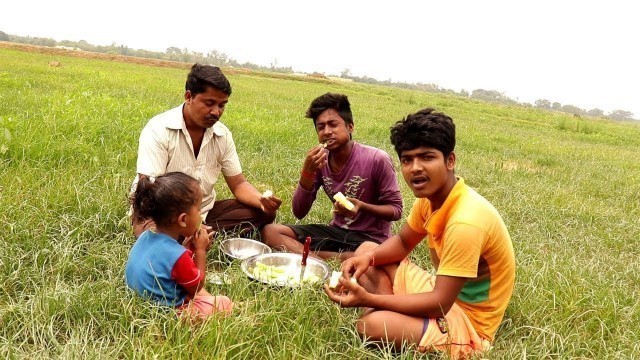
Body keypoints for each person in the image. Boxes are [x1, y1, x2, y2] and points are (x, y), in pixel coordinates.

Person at [324, 108, 516, 358]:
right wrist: (367, 260)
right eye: (407, 159)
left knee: (368, 326)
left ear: (450, 161)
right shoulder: (430, 199)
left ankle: (387, 312)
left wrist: (369, 298)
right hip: (442, 294)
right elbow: (403, 242)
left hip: (467, 322)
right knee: (367, 250)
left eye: (427, 157)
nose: (415, 168)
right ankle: (392, 311)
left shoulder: (466, 222)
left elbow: (439, 303)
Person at [131, 64, 281, 238]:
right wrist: (182, 222)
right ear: (189, 96)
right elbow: (150, 190)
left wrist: (262, 201)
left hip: (202, 211)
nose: (216, 112)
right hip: (161, 212)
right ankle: (192, 235)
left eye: (222, 105)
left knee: (265, 213)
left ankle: (195, 233)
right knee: (150, 234)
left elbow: (239, 184)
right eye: (209, 103)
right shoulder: (159, 129)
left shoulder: (222, 135)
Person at [262, 93, 403, 260]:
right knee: (270, 231)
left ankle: (314, 257)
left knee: (369, 252)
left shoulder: (377, 159)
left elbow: (396, 210)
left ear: (350, 126)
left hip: (370, 238)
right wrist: (307, 172)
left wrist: (362, 206)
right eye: (321, 127)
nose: (327, 132)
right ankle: (326, 260)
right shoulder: (320, 161)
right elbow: (299, 212)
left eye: (333, 125)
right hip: (336, 232)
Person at [125, 172, 233, 319]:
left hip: (141, 297)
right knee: (224, 303)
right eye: (199, 210)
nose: (201, 214)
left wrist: (190, 247)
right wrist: (201, 250)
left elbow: (172, 264)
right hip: (168, 312)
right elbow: (197, 287)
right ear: (183, 219)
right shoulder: (178, 256)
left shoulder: (145, 236)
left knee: (200, 293)